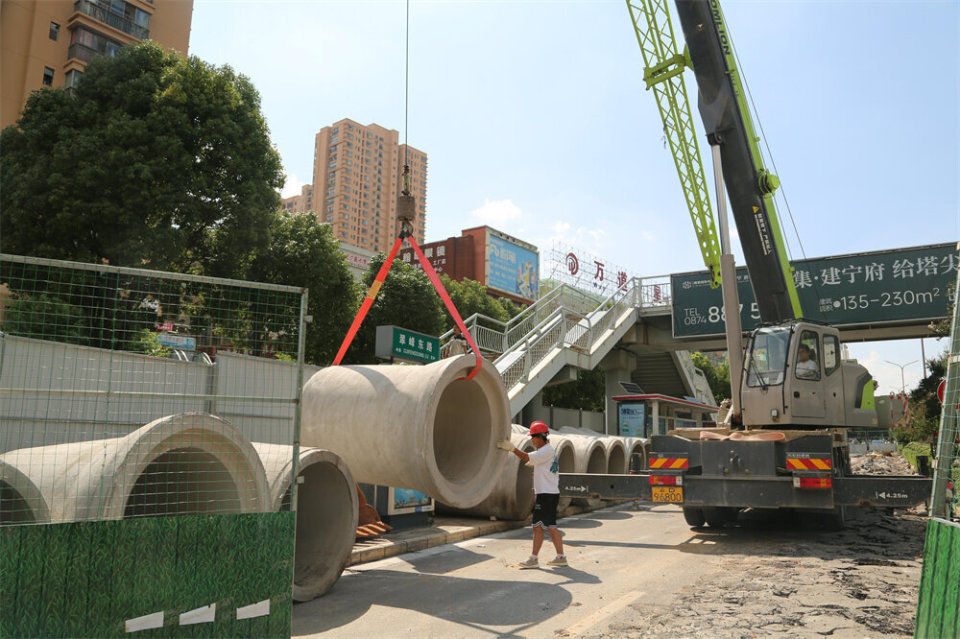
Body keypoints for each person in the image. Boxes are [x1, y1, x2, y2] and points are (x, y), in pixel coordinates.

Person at [496, 421, 567, 568]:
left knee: (539, 526)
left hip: (546, 495)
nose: (532, 440)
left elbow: (528, 457)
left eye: (533, 437)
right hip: (549, 494)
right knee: (547, 526)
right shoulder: (548, 451)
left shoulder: (546, 451)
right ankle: (560, 557)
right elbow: (536, 461)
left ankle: (534, 559)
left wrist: (512, 448)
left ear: (540, 436)